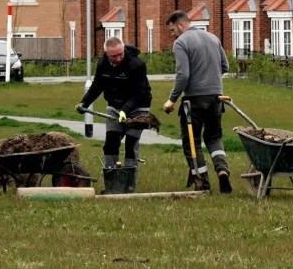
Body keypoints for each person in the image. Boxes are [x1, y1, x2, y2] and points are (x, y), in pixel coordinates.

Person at [162, 10, 232, 194]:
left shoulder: (181, 43)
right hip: (217, 98)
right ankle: (222, 170)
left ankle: (203, 184)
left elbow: (183, 74)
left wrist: (172, 100)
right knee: (214, 137)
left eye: (171, 30)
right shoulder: (212, 37)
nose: (172, 35)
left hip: (193, 100)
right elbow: (225, 66)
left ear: (181, 25)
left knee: (191, 142)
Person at [76, 37, 152, 194]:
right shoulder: (102, 64)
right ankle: (112, 184)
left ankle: (129, 186)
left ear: (123, 49)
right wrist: (84, 103)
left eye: (120, 54)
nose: (118, 58)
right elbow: (97, 86)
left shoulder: (136, 65)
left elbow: (140, 93)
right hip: (115, 107)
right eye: (114, 56)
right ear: (106, 54)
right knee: (111, 142)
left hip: (139, 108)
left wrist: (126, 110)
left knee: (131, 143)